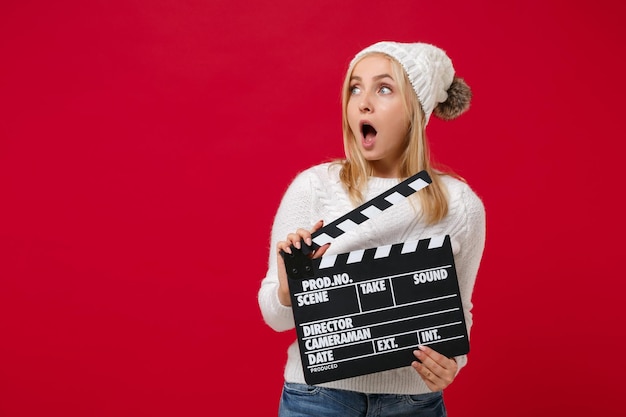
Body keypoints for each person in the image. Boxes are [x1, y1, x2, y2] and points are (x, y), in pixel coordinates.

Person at [258, 41, 486, 417]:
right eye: (354, 87)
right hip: (317, 399)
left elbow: (458, 312)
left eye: (384, 88)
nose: (363, 102)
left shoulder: (459, 204)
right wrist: (287, 287)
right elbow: (275, 317)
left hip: (414, 404)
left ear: (416, 108)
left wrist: (452, 363)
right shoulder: (314, 187)